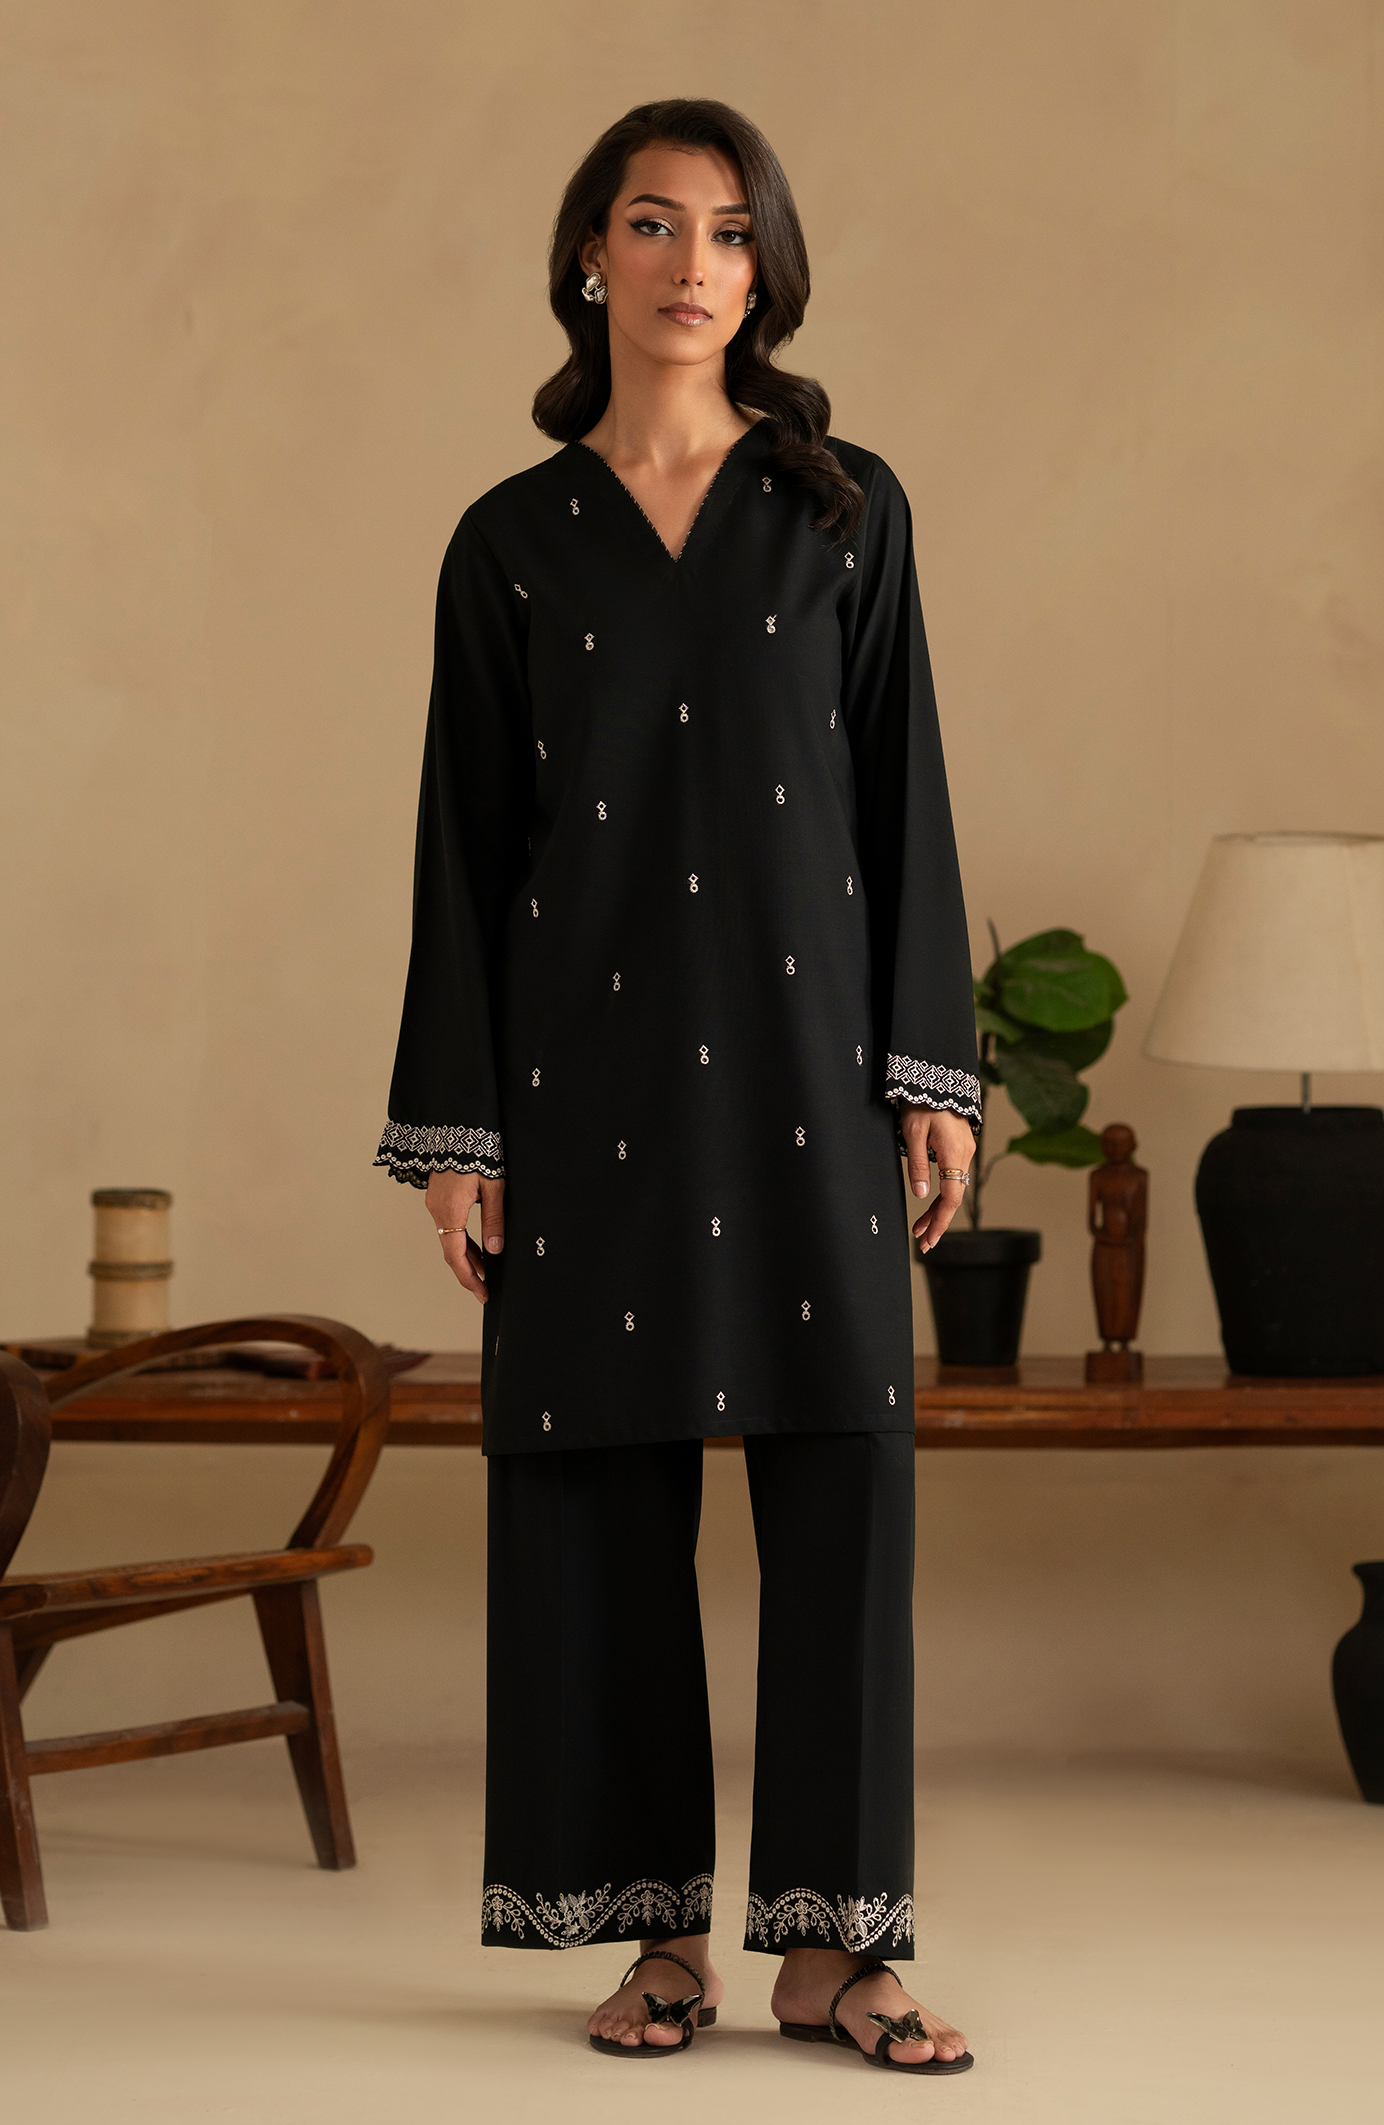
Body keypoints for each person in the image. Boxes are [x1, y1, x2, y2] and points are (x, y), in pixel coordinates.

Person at [375, 97, 980, 2076]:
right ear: (590, 257)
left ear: (763, 274)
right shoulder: (509, 542)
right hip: (590, 1079)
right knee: (595, 1493)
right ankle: (654, 1940)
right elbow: (464, 849)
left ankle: (838, 1949)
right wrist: (460, 1130)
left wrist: (933, 1077)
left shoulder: (842, 513)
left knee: (843, 1487)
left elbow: (903, 800)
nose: (689, 264)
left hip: (813, 1071)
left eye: (727, 233)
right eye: (652, 224)